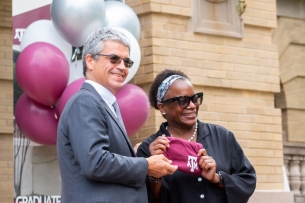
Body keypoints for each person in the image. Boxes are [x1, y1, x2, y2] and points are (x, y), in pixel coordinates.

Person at [57, 28, 178, 203]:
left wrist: (139, 155)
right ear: (90, 61)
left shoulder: (105, 103)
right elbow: (96, 162)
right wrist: (146, 165)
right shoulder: (85, 102)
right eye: (114, 59)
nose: (122, 67)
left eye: (126, 62)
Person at [136, 69, 256, 203]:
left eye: (194, 99)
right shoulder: (149, 149)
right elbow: (144, 197)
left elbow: (247, 180)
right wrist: (155, 176)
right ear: (162, 107)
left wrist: (217, 178)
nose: (192, 106)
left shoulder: (222, 137)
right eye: (183, 101)